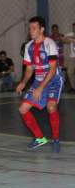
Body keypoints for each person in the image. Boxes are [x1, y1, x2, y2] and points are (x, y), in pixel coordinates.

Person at [16, 16, 64, 153]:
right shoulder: (28, 46)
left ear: (41, 29)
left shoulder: (50, 44)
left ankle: (55, 139)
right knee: (23, 109)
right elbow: (30, 68)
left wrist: (41, 88)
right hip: (38, 80)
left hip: (53, 79)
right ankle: (40, 138)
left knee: (51, 106)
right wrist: (23, 83)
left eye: (34, 28)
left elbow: (53, 69)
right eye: (30, 28)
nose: (31, 31)